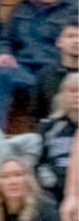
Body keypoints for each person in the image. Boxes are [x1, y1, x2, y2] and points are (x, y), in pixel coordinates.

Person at [0, 0, 76, 128]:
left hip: (55, 71)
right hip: (23, 69)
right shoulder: (20, 7)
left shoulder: (74, 9)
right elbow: (4, 38)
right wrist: (3, 53)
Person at [36, 73, 78, 205]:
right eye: (72, 91)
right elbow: (38, 161)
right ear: (62, 96)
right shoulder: (48, 128)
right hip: (52, 191)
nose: (77, 95)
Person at [33, 21, 79, 120]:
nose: (76, 41)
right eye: (71, 36)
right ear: (59, 42)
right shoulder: (45, 76)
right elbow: (37, 115)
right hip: (54, 130)